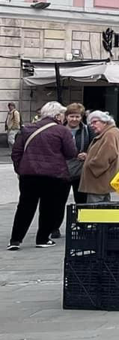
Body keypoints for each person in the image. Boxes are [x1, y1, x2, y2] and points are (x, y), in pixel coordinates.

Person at [9, 101, 76, 250]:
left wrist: (20, 169)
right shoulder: (62, 131)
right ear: (58, 116)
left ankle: (15, 240)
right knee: (48, 207)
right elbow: (71, 153)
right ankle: (42, 239)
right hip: (53, 175)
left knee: (25, 207)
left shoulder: (27, 129)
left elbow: (16, 152)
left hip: (29, 174)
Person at [79, 111, 119, 204]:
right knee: (103, 208)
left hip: (98, 181)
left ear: (105, 122)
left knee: (94, 210)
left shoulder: (110, 134)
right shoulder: (110, 132)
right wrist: (89, 156)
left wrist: (91, 165)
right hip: (102, 181)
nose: (92, 125)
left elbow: (106, 156)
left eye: (95, 122)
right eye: (91, 123)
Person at [63, 104, 92, 205]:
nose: (74, 119)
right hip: (62, 171)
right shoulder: (59, 130)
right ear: (66, 117)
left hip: (81, 172)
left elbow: (94, 146)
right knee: (58, 203)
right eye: (71, 116)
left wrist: (88, 154)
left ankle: (81, 221)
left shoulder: (88, 130)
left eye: (77, 116)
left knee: (81, 202)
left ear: (81, 117)